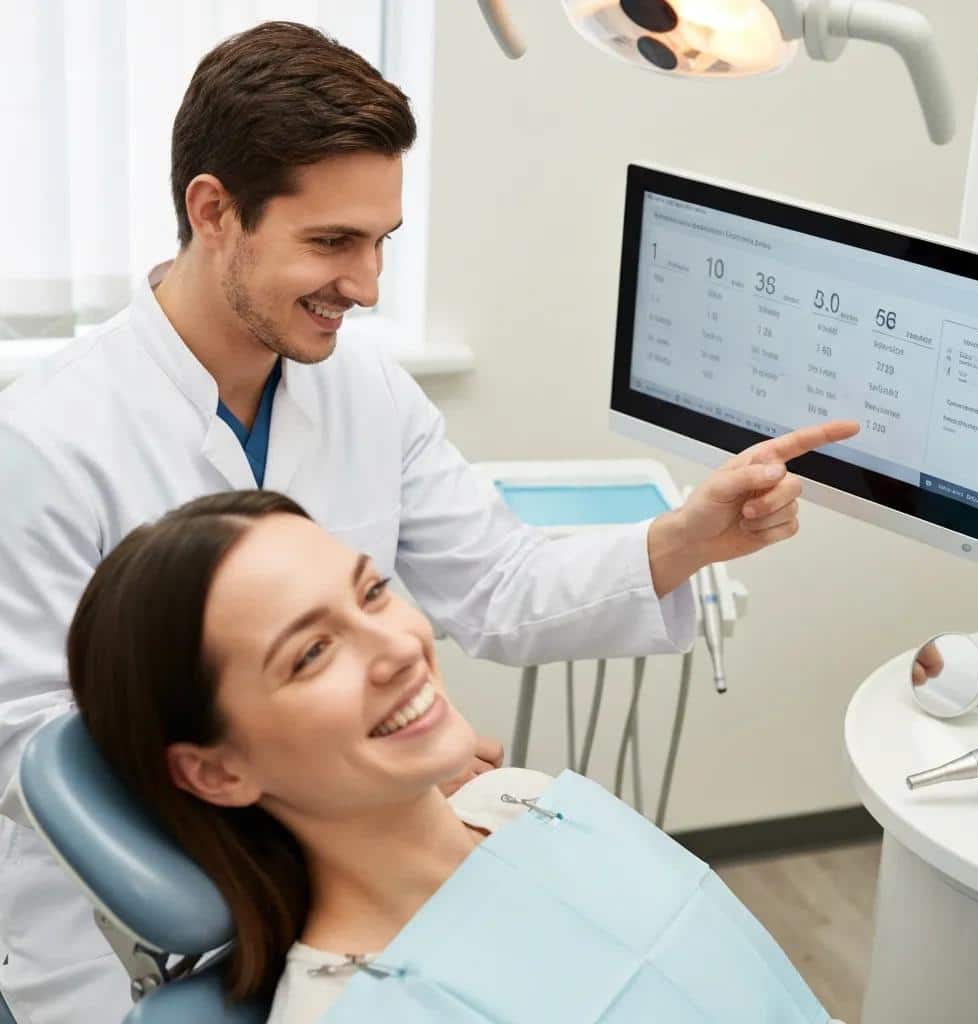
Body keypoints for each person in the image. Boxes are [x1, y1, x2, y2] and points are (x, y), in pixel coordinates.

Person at [0, 19, 857, 1023]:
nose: (364, 287)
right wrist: (375, 781)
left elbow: (494, 586)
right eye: (330, 242)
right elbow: (46, 762)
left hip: (368, 879)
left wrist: (685, 542)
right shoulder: (45, 441)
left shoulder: (364, 388)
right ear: (213, 211)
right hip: (120, 941)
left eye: (379, 243)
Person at [67, 491, 843, 1023]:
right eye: (310, 653)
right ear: (218, 771)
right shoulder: (349, 1007)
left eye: (372, 593)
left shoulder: (525, 801)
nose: (398, 647)